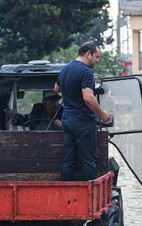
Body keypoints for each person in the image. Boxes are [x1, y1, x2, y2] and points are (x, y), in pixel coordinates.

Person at [54, 42, 111, 181]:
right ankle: (90, 194)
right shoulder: (86, 71)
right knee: (88, 160)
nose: (97, 61)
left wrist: (71, 91)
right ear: (88, 54)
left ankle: (65, 191)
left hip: (67, 120)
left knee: (68, 160)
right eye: (96, 57)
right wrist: (102, 114)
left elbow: (56, 88)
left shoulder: (65, 69)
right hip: (83, 121)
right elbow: (88, 97)